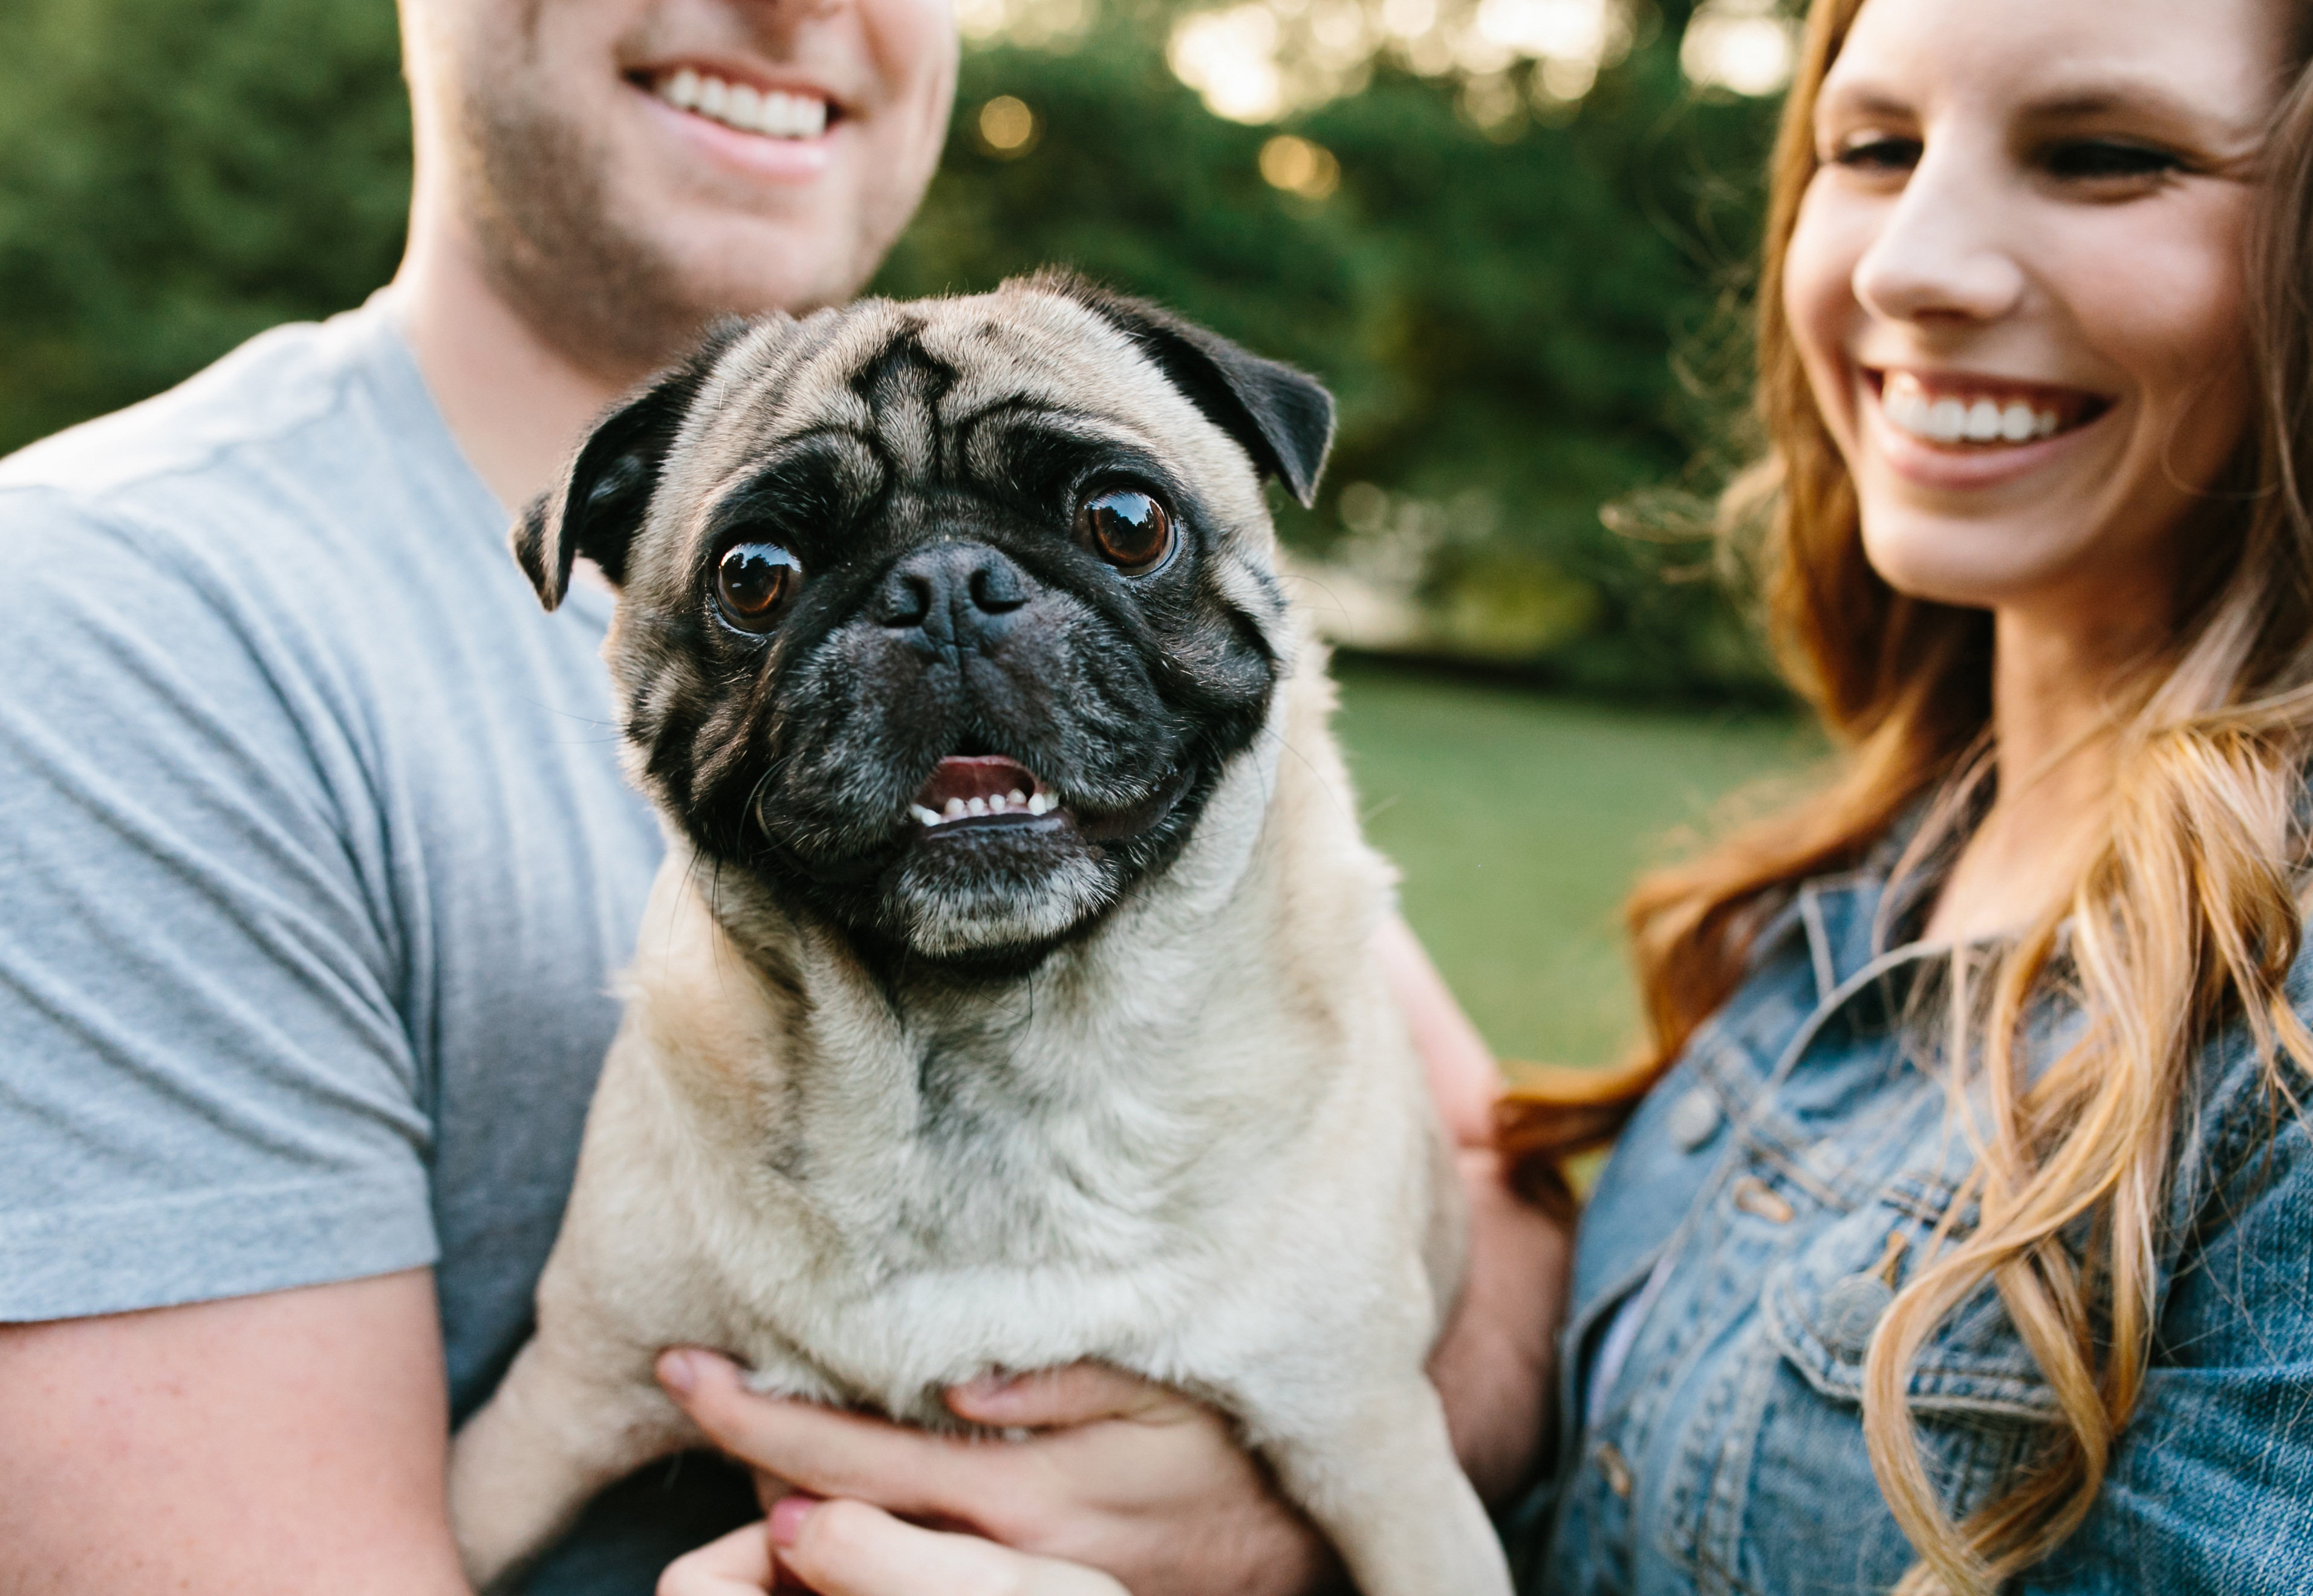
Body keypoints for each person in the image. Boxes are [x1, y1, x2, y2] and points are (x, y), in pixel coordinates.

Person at [656, 0, 2313, 1591]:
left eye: (2107, 158)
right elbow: (1592, 1424)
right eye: (1873, 149)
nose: (1916, 263)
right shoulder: (1860, 874)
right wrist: (1292, 1508)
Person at [0, 0, 1570, 1589]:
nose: (957, 616)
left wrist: (1267, 1522)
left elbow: (1502, 1205)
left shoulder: (1273, 863)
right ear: (608, 599)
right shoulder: (100, 637)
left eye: (1115, 529)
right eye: (761, 575)